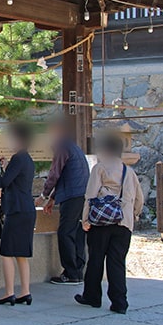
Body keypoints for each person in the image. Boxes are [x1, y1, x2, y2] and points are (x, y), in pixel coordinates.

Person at [75, 132, 144, 314]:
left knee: (96, 260)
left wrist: (85, 219)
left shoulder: (100, 169)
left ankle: (92, 296)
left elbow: (90, 196)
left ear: (105, 149)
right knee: (117, 263)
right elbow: (139, 199)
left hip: (100, 223)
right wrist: (133, 215)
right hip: (123, 223)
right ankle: (120, 302)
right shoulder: (130, 172)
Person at [35, 118, 90, 285]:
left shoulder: (62, 147)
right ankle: (78, 270)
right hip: (81, 194)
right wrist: (52, 198)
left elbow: (55, 174)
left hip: (72, 195)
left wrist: (44, 196)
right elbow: (66, 175)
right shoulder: (74, 147)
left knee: (65, 232)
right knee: (78, 232)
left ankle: (71, 272)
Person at [0, 122, 36, 306]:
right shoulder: (27, 159)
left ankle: (9, 292)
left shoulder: (18, 158)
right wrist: (7, 166)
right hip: (26, 209)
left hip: (17, 210)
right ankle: (25, 291)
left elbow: (4, 182)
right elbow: (15, 179)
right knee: (22, 253)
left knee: (7, 252)